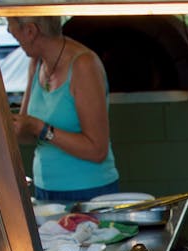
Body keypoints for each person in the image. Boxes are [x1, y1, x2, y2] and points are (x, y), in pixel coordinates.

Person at [7, 16, 120, 202]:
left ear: (30, 30)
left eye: (10, 23)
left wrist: (41, 128)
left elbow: (97, 150)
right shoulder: (36, 63)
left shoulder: (84, 65)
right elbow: (26, 134)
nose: (9, 31)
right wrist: (7, 127)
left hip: (88, 192)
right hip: (44, 189)